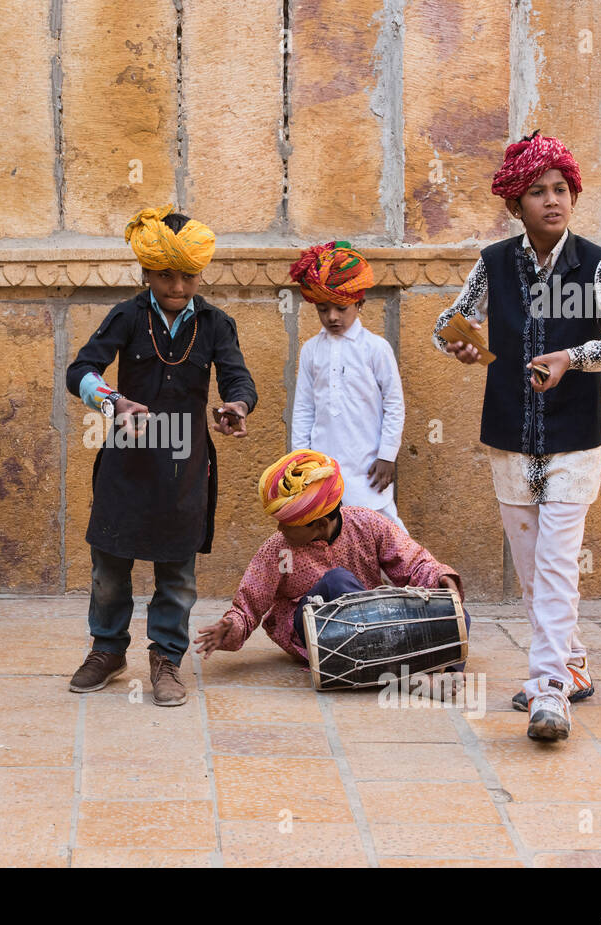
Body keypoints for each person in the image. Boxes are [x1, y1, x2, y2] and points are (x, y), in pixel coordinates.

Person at [432, 131, 601, 741]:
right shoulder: (494, 263)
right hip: (508, 435)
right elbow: (445, 326)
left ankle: (548, 692)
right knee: (534, 575)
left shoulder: (597, 265)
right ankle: (573, 665)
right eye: (538, 191)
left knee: (555, 567)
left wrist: (573, 357)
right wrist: (460, 345)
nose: (553, 200)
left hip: (575, 439)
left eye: (561, 189)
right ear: (515, 205)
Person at [64, 205, 257, 706]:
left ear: (200, 273)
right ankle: (107, 650)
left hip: (185, 464)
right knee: (109, 570)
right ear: (146, 272)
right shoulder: (128, 315)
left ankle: (167, 659)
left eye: (187, 275)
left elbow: (237, 378)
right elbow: (81, 368)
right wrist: (112, 401)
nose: (176, 285)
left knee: (177, 574)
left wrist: (236, 405)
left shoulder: (216, 323)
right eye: (165, 274)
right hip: (126, 459)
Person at [194, 450, 466, 674]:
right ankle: (405, 666)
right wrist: (229, 629)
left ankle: (442, 671)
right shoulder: (277, 549)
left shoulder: (366, 523)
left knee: (455, 613)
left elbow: (414, 562)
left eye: (287, 523)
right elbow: (248, 607)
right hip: (314, 631)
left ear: (321, 523)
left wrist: (442, 580)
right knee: (337, 580)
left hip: (375, 622)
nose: (279, 529)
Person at [290, 242, 406, 529]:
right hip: (323, 469)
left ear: (360, 304)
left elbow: (394, 403)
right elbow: (303, 408)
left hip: (369, 468)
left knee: (387, 536)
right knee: (330, 536)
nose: (332, 317)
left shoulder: (375, 348)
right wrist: (300, 461)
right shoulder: (311, 350)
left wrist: (387, 456)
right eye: (323, 309)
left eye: (341, 308)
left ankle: (424, 575)